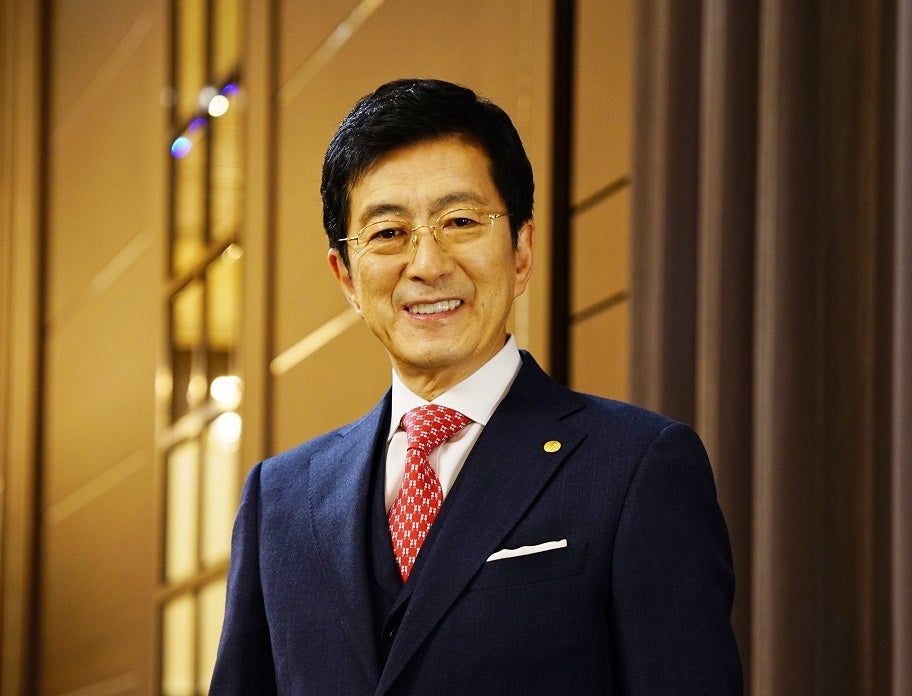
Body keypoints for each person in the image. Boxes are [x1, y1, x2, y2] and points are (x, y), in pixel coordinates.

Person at [210, 78, 742, 695]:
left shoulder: (637, 466)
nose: (427, 265)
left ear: (521, 250)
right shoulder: (278, 500)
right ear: (347, 277)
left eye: (460, 221)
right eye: (388, 233)